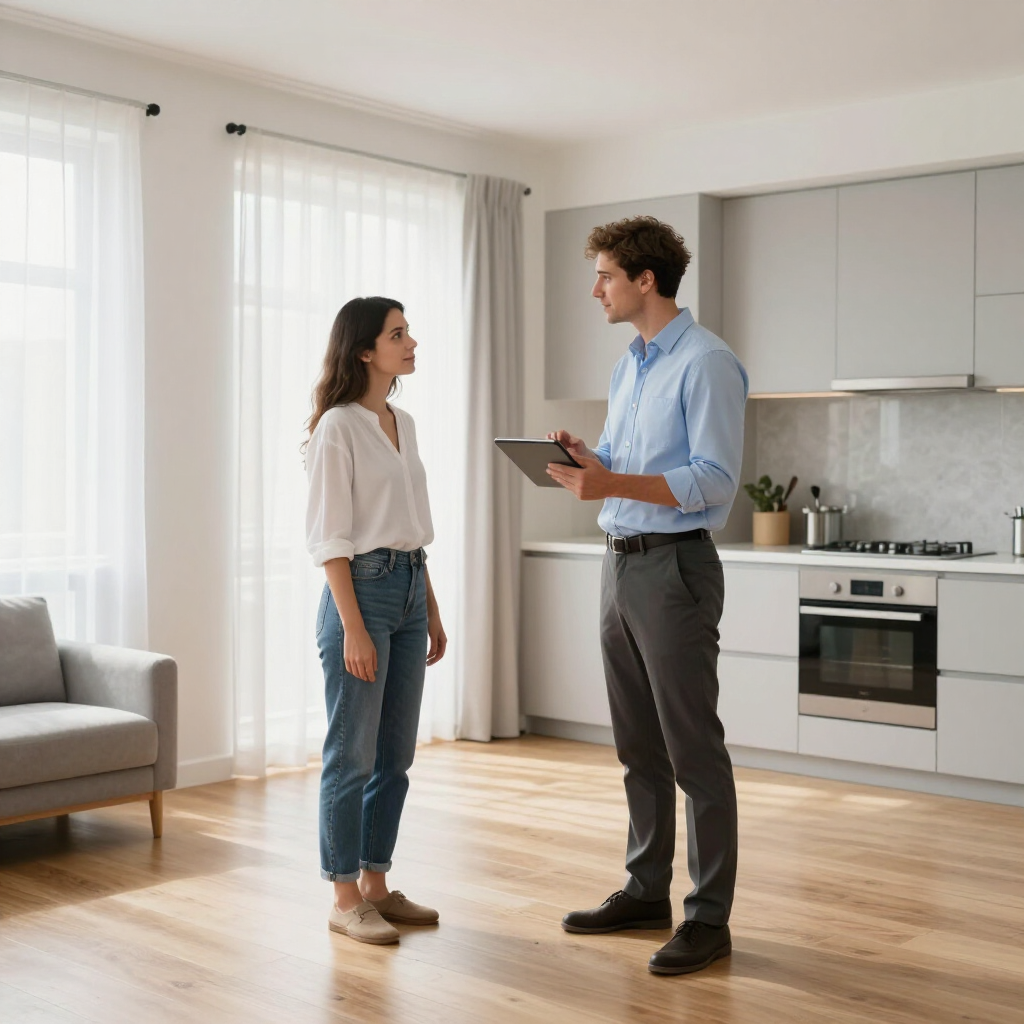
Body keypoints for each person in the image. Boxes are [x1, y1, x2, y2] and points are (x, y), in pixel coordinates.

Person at [546, 216, 748, 976]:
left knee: (693, 749)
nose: (594, 288)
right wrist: (592, 465)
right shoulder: (630, 365)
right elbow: (635, 466)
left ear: (645, 281)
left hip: (675, 571)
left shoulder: (707, 363)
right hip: (620, 563)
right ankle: (645, 889)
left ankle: (709, 919)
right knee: (636, 745)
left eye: (604, 275)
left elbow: (714, 482)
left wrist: (613, 481)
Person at [304, 296, 448, 945]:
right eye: (398, 334)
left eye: (407, 331)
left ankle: (376, 885)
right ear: (365, 350)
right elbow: (330, 538)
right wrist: (354, 626)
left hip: (411, 587)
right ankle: (342, 896)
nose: (410, 341)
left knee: (395, 756)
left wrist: (432, 608)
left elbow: (412, 526)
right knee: (351, 755)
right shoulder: (338, 426)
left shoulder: (402, 421)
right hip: (359, 593)